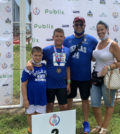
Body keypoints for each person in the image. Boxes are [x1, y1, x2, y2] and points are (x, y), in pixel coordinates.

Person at [63, 16, 98, 134]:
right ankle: (67, 122)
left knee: (84, 100)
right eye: (76, 24)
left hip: (85, 77)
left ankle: (86, 122)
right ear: (73, 26)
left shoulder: (92, 40)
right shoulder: (67, 40)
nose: (79, 27)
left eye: (81, 24)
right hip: (71, 77)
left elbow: (99, 53)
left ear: (84, 26)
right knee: (69, 99)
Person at [27, 28, 71, 112]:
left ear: (64, 37)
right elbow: (36, 58)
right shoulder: (47, 50)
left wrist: (68, 83)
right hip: (49, 84)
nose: (59, 38)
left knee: (64, 106)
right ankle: (49, 124)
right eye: (57, 36)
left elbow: (68, 67)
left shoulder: (67, 50)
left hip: (62, 84)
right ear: (53, 37)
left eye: (61, 36)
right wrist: (29, 62)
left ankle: (62, 124)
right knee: (49, 106)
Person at [90, 21, 120, 134]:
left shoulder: (113, 44)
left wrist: (108, 67)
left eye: (102, 29)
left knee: (109, 104)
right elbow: (96, 58)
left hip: (109, 77)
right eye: (98, 30)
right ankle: (99, 125)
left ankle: (105, 127)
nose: (100, 32)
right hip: (96, 77)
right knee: (94, 103)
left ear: (107, 30)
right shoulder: (98, 44)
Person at [21, 46, 47, 134]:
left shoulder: (44, 66)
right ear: (31, 55)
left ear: (42, 55)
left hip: (42, 98)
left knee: (39, 117)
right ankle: (31, 130)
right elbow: (23, 84)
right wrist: (25, 99)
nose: (38, 57)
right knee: (30, 116)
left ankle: (38, 131)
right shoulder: (28, 68)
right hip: (31, 98)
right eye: (35, 55)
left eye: (39, 55)